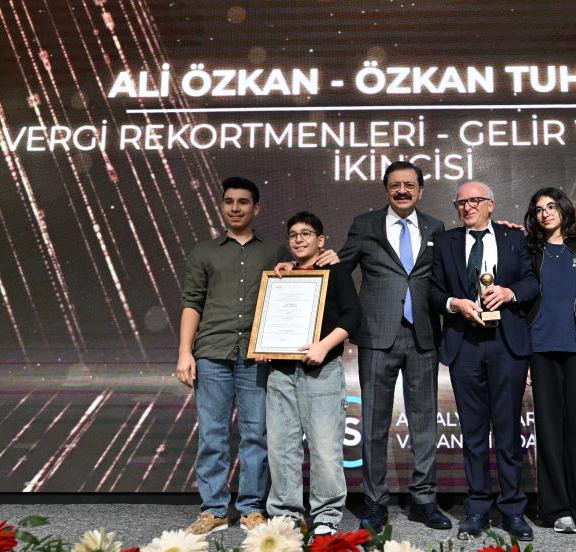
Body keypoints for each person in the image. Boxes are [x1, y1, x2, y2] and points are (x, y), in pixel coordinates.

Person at [338, 161, 450, 532]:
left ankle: (424, 500)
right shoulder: (365, 224)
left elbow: (448, 274)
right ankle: (375, 503)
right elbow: (339, 267)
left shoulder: (435, 227)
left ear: (421, 190)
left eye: (409, 185)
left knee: (424, 423)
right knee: (374, 424)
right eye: (395, 185)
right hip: (376, 336)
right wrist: (299, 268)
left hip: (423, 337)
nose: (402, 191)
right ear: (386, 189)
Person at [177, 176, 291, 535]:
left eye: (243, 202)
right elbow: (192, 302)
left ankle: (251, 508)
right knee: (213, 435)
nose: (236, 208)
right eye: (229, 201)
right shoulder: (204, 252)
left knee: (256, 434)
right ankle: (213, 509)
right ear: (222, 206)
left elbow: (296, 292)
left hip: (258, 356)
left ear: (256, 208)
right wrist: (184, 352)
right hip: (212, 353)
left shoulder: (275, 252)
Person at [430, 181, 537, 542]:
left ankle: (513, 509)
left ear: (491, 204)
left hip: (507, 344)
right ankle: (477, 508)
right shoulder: (445, 241)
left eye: (475, 200)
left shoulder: (514, 238)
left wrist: (509, 292)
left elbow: (532, 282)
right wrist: (455, 304)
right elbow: (433, 291)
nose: (467, 206)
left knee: (507, 431)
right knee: (473, 433)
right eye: (461, 202)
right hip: (465, 345)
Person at [259, 211, 361, 537]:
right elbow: (269, 319)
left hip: (322, 371)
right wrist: (264, 343)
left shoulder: (335, 270)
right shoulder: (281, 276)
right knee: (281, 448)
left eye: (306, 233)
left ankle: (326, 516)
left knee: (325, 449)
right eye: (293, 235)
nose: (299, 239)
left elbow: (352, 316)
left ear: (321, 240)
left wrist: (323, 346)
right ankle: (286, 515)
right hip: (281, 373)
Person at [523, 186, 576, 534]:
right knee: (549, 431)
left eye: (551, 206)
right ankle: (555, 510)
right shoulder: (530, 251)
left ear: (564, 209)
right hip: (540, 349)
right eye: (539, 209)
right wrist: (526, 357)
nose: (545, 213)